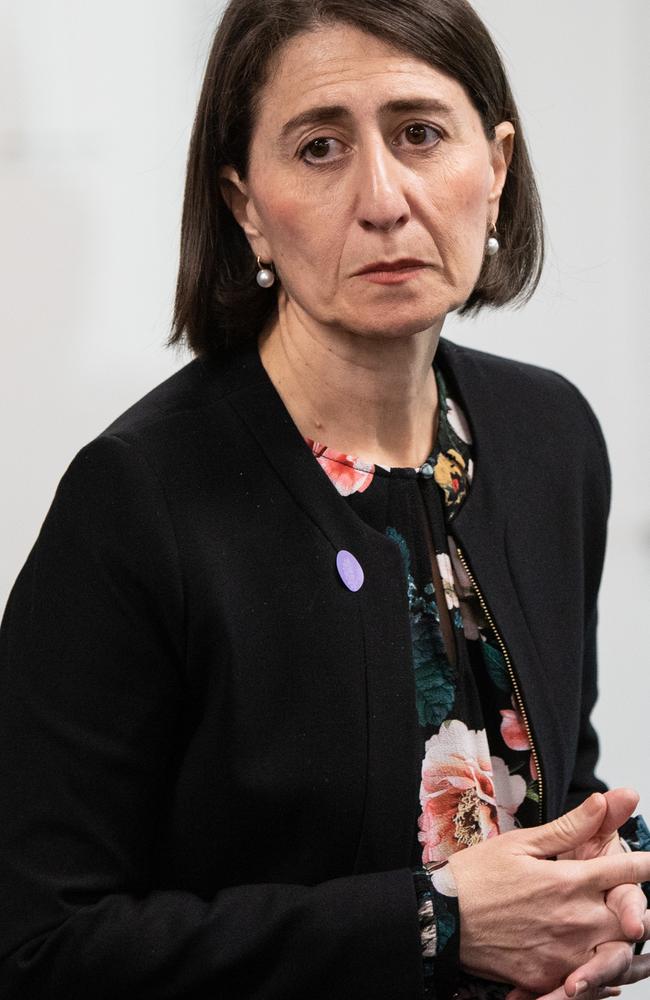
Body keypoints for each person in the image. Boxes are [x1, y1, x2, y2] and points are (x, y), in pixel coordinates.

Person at [0, 1, 648, 998]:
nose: (383, 198)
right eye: (318, 147)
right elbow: (40, 947)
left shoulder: (549, 437)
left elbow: (545, 782)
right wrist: (431, 923)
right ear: (243, 202)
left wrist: (607, 891)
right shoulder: (133, 500)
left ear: (497, 168)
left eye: (420, 134)